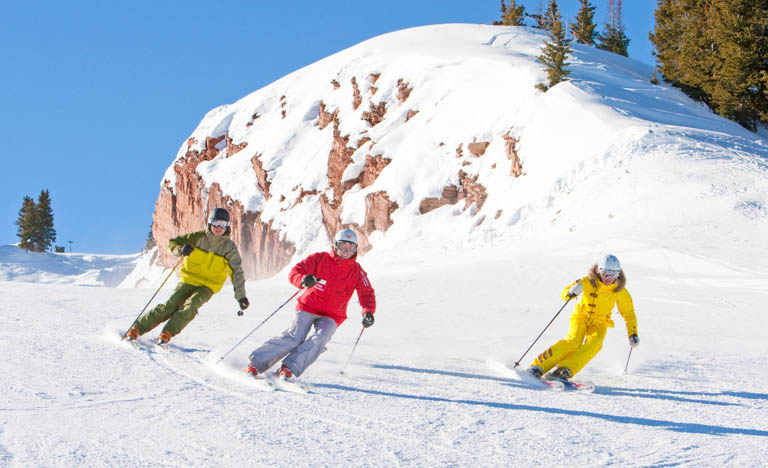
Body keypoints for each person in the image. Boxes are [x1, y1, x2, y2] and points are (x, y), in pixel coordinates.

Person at [245, 228, 376, 381]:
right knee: (295, 337)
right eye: (342, 246)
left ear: (355, 249)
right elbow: (295, 271)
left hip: (333, 315)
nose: (346, 251)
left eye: (350, 248)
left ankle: (288, 368)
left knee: (320, 339)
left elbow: (367, 293)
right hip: (309, 306)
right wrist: (303, 279)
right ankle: (256, 363)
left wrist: (368, 312)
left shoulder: (357, 271)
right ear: (335, 245)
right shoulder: (319, 259)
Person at [124, 208, 249, 345]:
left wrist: (241, 296)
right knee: (170, 306)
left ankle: (167, 333)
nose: (219, 228)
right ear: (210, 223)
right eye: (216, 223)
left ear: (227, 226)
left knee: (191, 305)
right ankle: (137, 329)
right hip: (188, 280)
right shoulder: (197, 237)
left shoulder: (229, 247)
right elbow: (173, 243)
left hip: (208, 286)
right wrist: (180, 250)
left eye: (223, 224)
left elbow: (237, 271)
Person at [527, 254, 639, 381]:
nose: (609, 277)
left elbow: (629, 314)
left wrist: (633, 333)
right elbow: (565, 294)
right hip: (581, 317)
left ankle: (565, 370)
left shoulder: (620, 291)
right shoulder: (588, 281)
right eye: (606, 273)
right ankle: (538, 366)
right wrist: (571, 292)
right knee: (573, 342)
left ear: (618, 274)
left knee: (595, 344)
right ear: (599, 271)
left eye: (613, 274)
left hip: (600, 322)